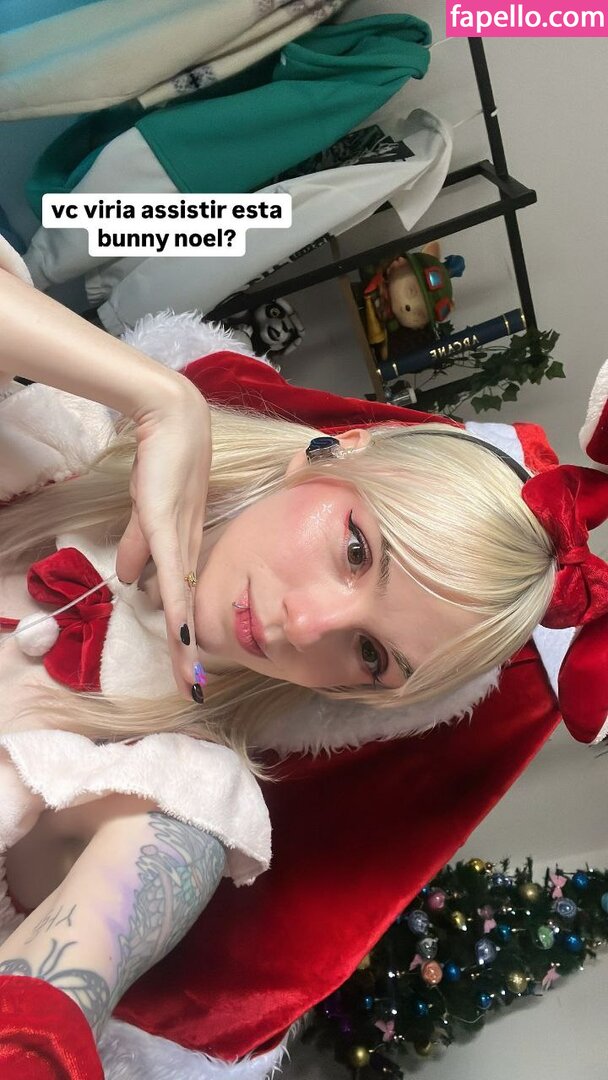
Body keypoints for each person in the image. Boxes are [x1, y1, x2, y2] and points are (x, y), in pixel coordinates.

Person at [0, 232, 607, 1078]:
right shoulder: (71, 439)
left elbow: (68, 982)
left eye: (370, 654)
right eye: (356, 550)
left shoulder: (185, 790)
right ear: (336, 451)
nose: (306, 622)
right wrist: (162, 399)